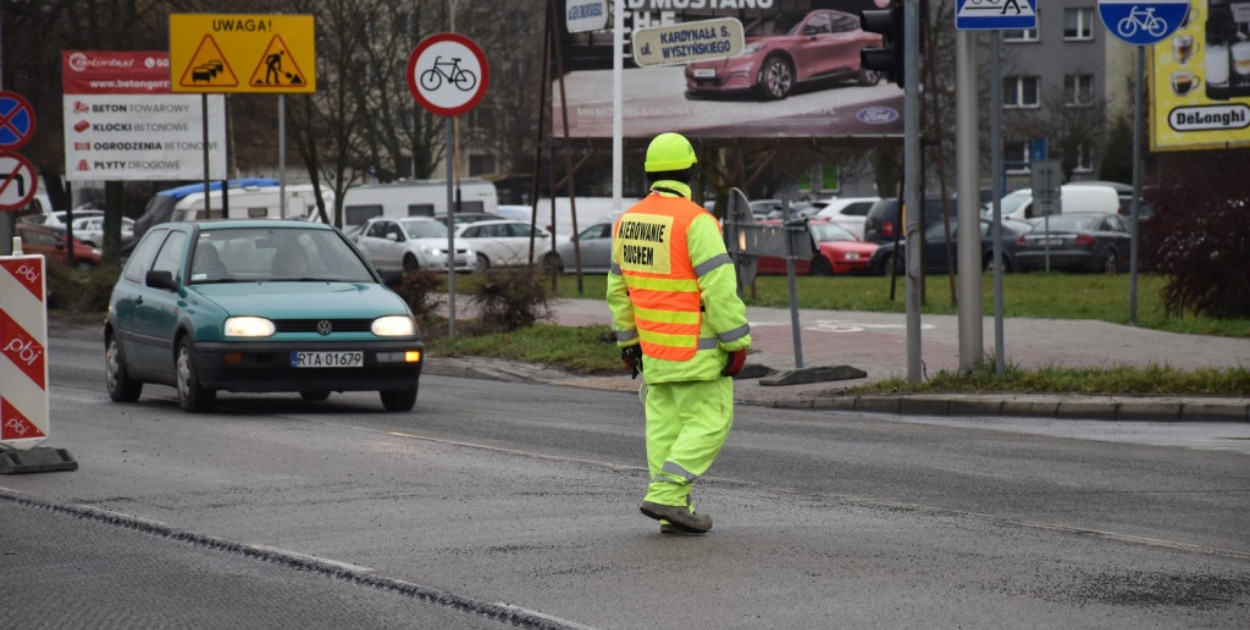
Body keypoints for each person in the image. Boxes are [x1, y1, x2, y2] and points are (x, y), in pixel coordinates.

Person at [607, 132, 751, 535]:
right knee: (711, 421)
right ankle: (669, 495)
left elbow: (618, 291)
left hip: (654, 352)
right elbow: (720, 289)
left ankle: (675, 508)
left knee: (665, 430)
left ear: (649, 173)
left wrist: (628, 343)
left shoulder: (627, 222)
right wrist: (736, 342)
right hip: (697, 352)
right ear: (690, 171)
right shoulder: (696, 221)